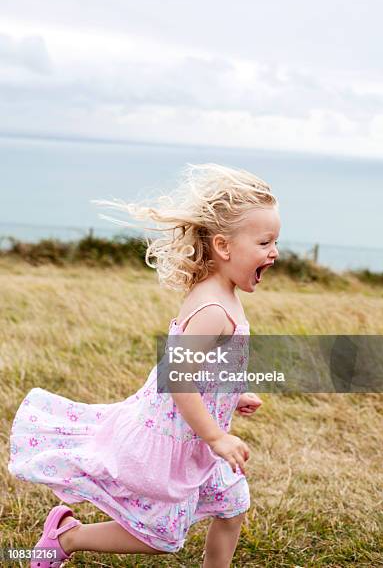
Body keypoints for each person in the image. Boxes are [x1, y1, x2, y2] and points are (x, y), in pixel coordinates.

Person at [8, 163, 281, 567]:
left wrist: (230, 392)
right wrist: (216, 438)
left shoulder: (222, 294)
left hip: (199, 439)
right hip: (180, 439)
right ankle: (68, 537)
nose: (274, 253)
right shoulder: (212, 308)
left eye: (275, 241)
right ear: (224, 247)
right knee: (160, 537)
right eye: (264, 242)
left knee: (232, 506)